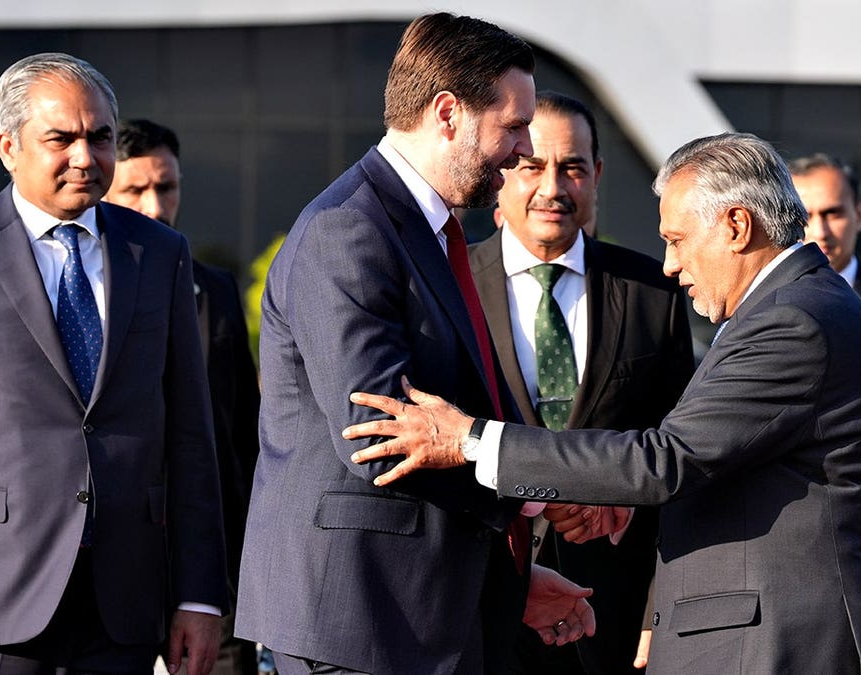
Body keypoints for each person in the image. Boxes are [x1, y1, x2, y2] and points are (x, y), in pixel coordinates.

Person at [345, 132, 861, 674]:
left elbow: (666, 459)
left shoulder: (793, 321)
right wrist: (623, 500)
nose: (670, 265)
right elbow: (725, 457)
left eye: (676, 240)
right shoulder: (792, 307)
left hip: (790, 643)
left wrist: (473, 440)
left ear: (736, 226)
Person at [236, 13, 595, 675]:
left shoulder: (425, 231)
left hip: (414, 615)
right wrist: (536, 489)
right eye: (514, 127)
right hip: (359, 623)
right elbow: (381, 437)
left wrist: (509, 575)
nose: (522, 151)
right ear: (449, 113)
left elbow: (450, 405)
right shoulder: (350, 231)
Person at [0, 52, 226, 675]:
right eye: (61, 138)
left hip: (126, 600)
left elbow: (192, 436)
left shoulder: (160, 254)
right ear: (8, 146)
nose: (86, 157)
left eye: (101, 137)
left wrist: (198, 595)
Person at [474, 90, 692, 675]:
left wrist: (657, 613)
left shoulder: (655, 293)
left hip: (610, 616)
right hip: (484, 606)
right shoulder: (450, 286)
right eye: (532, 166)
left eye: (571, 167)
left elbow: (680, 463)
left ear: (595, 176)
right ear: (501, 175)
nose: (553, 187)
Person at [104, 118, 262, 675]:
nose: (153, 205)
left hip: (212, 563)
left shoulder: (216, 289)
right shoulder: (79, 297)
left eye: (165, 188)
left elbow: (246, 425)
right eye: (135, 189)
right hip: (112, 561)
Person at [788, 153, 861, 307]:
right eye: (804, 217)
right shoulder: (755, 307)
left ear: (860, 215)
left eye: (833, 214)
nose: (820, 232)